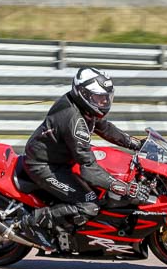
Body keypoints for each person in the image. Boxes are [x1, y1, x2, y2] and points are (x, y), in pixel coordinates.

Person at [19, 67, 151, 250]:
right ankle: (29, 222)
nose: (104, 102)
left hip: (61, 159)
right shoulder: (75, 122)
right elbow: (88, 168)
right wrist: (125, 188)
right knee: (90, 204)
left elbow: (104, 128)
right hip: (44, 166)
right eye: (99, 97)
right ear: (83, 94)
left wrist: (136, 144)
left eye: (107, 97)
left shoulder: (81, 106)